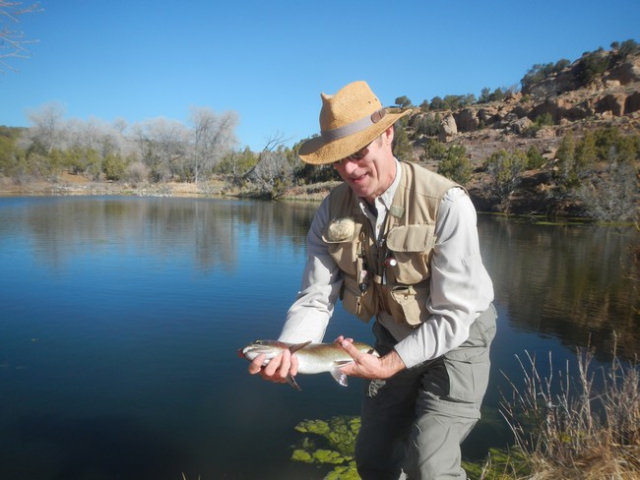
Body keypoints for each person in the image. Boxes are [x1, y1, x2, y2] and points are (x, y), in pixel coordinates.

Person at [247, 80, 496, 479]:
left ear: (388, 135)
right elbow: (315, 296)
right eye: (337, 159)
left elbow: (454, 315)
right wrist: (289, 351)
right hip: (391, 337)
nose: (348, 169)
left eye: (358, 152)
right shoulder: (330, 210)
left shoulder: (448, 204)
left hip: (458, 341)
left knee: (429, 466)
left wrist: (391, 365)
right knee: (374, 461)